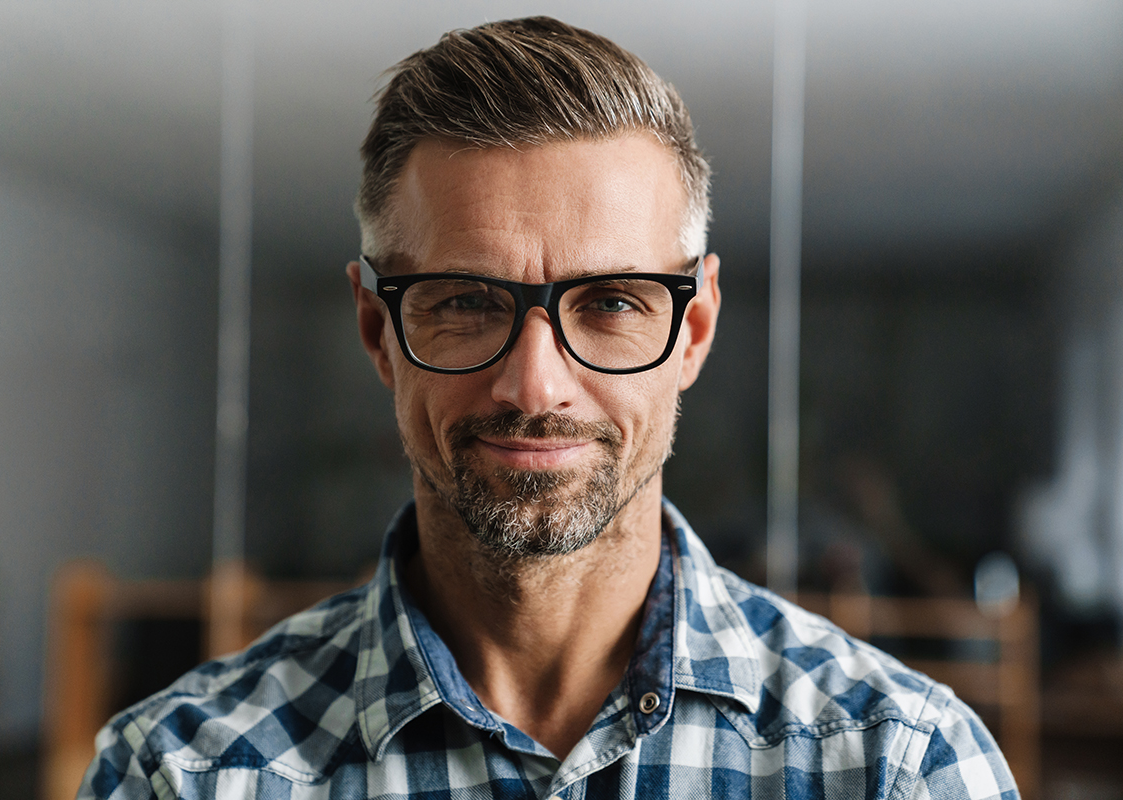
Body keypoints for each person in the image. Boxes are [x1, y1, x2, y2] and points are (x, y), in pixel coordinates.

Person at [80, 16, 1017, 799]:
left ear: (692, 333)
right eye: (464, 301)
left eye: (611, 304)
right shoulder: (184, 773)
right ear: (376, 329)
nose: (535, 386)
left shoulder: (901, 766)